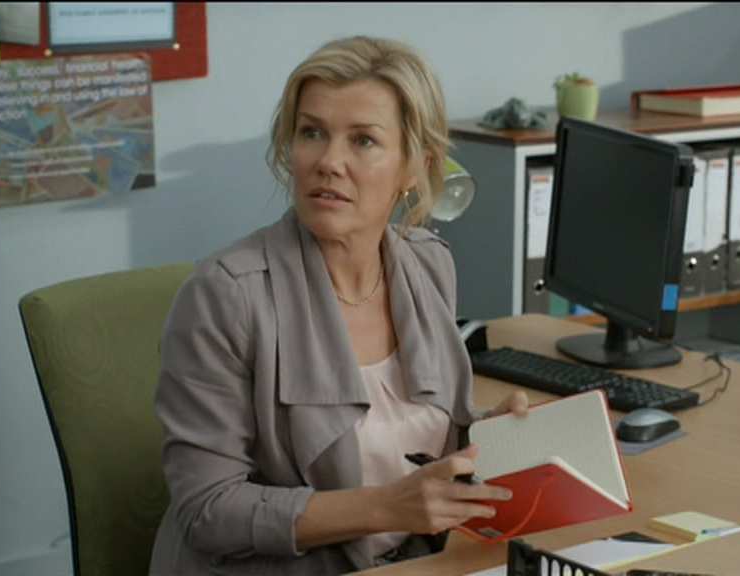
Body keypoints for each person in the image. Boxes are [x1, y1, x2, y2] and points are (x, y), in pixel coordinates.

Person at [148, 35, 529, 575]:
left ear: (415, 166)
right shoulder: (226, 294)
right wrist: (387, 508)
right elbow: (208, 512)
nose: (329, 162)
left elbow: (416, 444)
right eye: (312, 133)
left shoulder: (428, 264)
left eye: (363, 140)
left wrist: (495, 437)